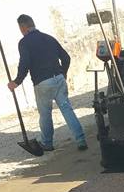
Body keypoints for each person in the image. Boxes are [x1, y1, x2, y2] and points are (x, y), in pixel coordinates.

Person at [7, 14, 87, 151]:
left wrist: (16, 81)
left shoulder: (24, 42)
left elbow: (24, 63)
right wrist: (63, 73)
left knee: (45, 114)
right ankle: (81, 140)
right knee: (67, 109)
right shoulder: (49, 38)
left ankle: (47, 143)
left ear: (22, 27)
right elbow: (66, 58)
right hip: (58, 78)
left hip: (42, 83)